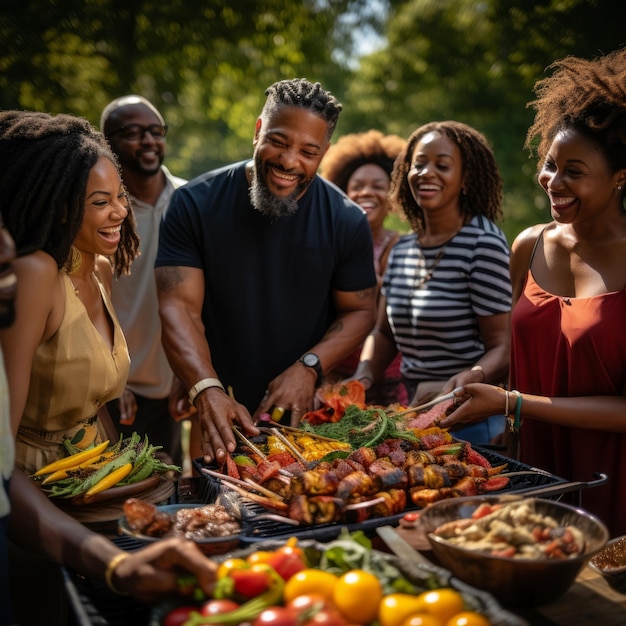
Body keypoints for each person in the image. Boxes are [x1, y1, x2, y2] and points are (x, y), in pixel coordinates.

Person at [0, 114, 217, 625]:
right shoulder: (34, 276)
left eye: (121, 196)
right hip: (38, 510)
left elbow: (82, 376)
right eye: (100, 202)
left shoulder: (97, 266)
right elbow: (2, 461)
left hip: (92, 492)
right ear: (55, 205)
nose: (121, 211)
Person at [439, 47, 626, 537]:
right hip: (535, 471)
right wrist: (480, 377)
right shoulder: (529, 244)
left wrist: (511, 403)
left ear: (621, 177)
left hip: (613, 482)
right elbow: (518, 353)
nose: (553, 182)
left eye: (574, 172)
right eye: (549, 165)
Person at [155, 78, 378, 465]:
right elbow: (179, 307)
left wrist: (309, 367)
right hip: (216, 406)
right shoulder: (193, 203)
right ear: (258, 130)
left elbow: (360, 311)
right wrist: (203, 385)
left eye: (308, 151)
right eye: (278, 141)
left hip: (306, 423)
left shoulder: (347, 220)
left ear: (324, 151)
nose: (289, 161)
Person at [353, 121, 512, 444]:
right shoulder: (403, 250)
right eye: (419, 163)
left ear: (466, 178)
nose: (426, 172)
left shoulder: (483, 244)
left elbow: (503, 347)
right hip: (416, 416)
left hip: (472, 422)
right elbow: (383, 333)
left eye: (442, 165)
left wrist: (471, 378)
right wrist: (363, 375)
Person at [101, 95, 187, 467]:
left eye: (156, 131)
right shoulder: (99, 212)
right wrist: (111, 381)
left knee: (169, 491)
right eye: (134, 133)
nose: (149, 141)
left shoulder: (189, 201)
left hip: (172, 384)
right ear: (107, 144)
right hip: (112, 389)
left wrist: (191, 375)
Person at [320, 129, 408, 406]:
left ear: (393, 195)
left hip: (391, 375)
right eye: (357, 185)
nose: (366, 192)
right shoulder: (326, 246)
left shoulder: (404, 247)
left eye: (378, 186)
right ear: (342, 191)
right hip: (334, 368)